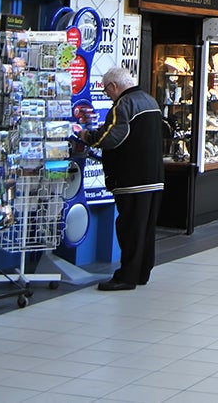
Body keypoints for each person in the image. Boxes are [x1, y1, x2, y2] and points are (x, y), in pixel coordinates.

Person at [78, 66, 165, 291]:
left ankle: (126, 276)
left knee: (129, 229)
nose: (107, 95)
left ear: (113, 86)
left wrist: (87, 136)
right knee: (145, 229)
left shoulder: (124, 105)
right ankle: (141, 272)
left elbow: (111, 137)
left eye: (106, 91)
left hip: (132, 180)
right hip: (154, 178)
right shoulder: (150, 101)